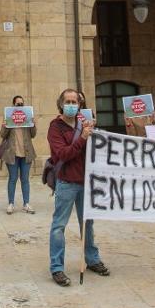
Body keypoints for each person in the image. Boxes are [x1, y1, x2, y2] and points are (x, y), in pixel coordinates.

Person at [47, 89, 108, 286]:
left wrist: (92, 135)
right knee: (59, 226)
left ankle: (92, 259)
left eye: (75, 101)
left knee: (87, 224)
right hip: (66, 183)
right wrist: (82, 138)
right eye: (68, 101)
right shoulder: (55, 127)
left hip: (85, 182)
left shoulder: (83, 125)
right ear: (61, 104)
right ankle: (57, 267)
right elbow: (63, 154)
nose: (72, 104)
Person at [0, 94, 36, 214]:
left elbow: (33, 134)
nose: (20, 105)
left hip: (26, 153)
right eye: (18, 103)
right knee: (12, 179)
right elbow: (3, 135)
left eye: (22, 103)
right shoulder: (9, 118)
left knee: (25, 179)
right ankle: (11, 203)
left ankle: (26, 203)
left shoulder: (27, 117)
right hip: (12, 154)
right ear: (13, 105)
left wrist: (33, 123)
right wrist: (5, 125)